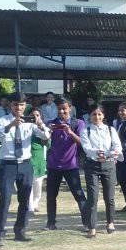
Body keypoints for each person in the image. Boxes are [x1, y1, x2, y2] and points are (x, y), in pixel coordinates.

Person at [0, 93, 51, 247]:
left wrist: (39, 123)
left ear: (26, 106)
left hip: (25, 163)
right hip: (8, 164)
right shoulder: (2, 120)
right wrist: (11, 125)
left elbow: (46, 137)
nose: (19, 108)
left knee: (24, 200)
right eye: (16, 105)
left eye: (22, 105)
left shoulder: (30, 122)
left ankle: (20, 231)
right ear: (11, 105)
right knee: (5, 199)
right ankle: (0, 234)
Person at [44, 98, 89, 231]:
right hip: (53, 165)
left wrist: (70, 132)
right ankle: (51, 223)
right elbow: (43, 142)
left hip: (71, 165)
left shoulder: (78, 123)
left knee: (79, 194)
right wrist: (48, 132)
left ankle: (87, 223)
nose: (62, 111)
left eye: (64, 108)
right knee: (51, 196)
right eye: (59, 109)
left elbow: (83, 142)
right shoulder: (51, 123)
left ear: (70, 108)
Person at [79, 106, 122, 237]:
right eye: (94, 114)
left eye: (99, 114)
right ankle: (92, 227)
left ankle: (110, 222)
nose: (96, 117)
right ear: (90, 116)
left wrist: (108, 154)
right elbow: (87, 148)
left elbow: (117, 146)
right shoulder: (86, 130)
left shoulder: (110, 129)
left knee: (109, 197)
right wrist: (99, 153)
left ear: (103, 115)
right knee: (92, 197)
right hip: (92, 165)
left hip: (108, 164)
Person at [28, 108, 48, 214]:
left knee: (38, 185)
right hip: (27, 159)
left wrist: (41, 126)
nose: (35, 117)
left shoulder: (43, 128)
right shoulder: (25, 127)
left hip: (39, 159)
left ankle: (35, 204)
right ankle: (30, 207)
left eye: (37, 115)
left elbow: (47, 140)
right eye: (32, 115)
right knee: (28, 184)